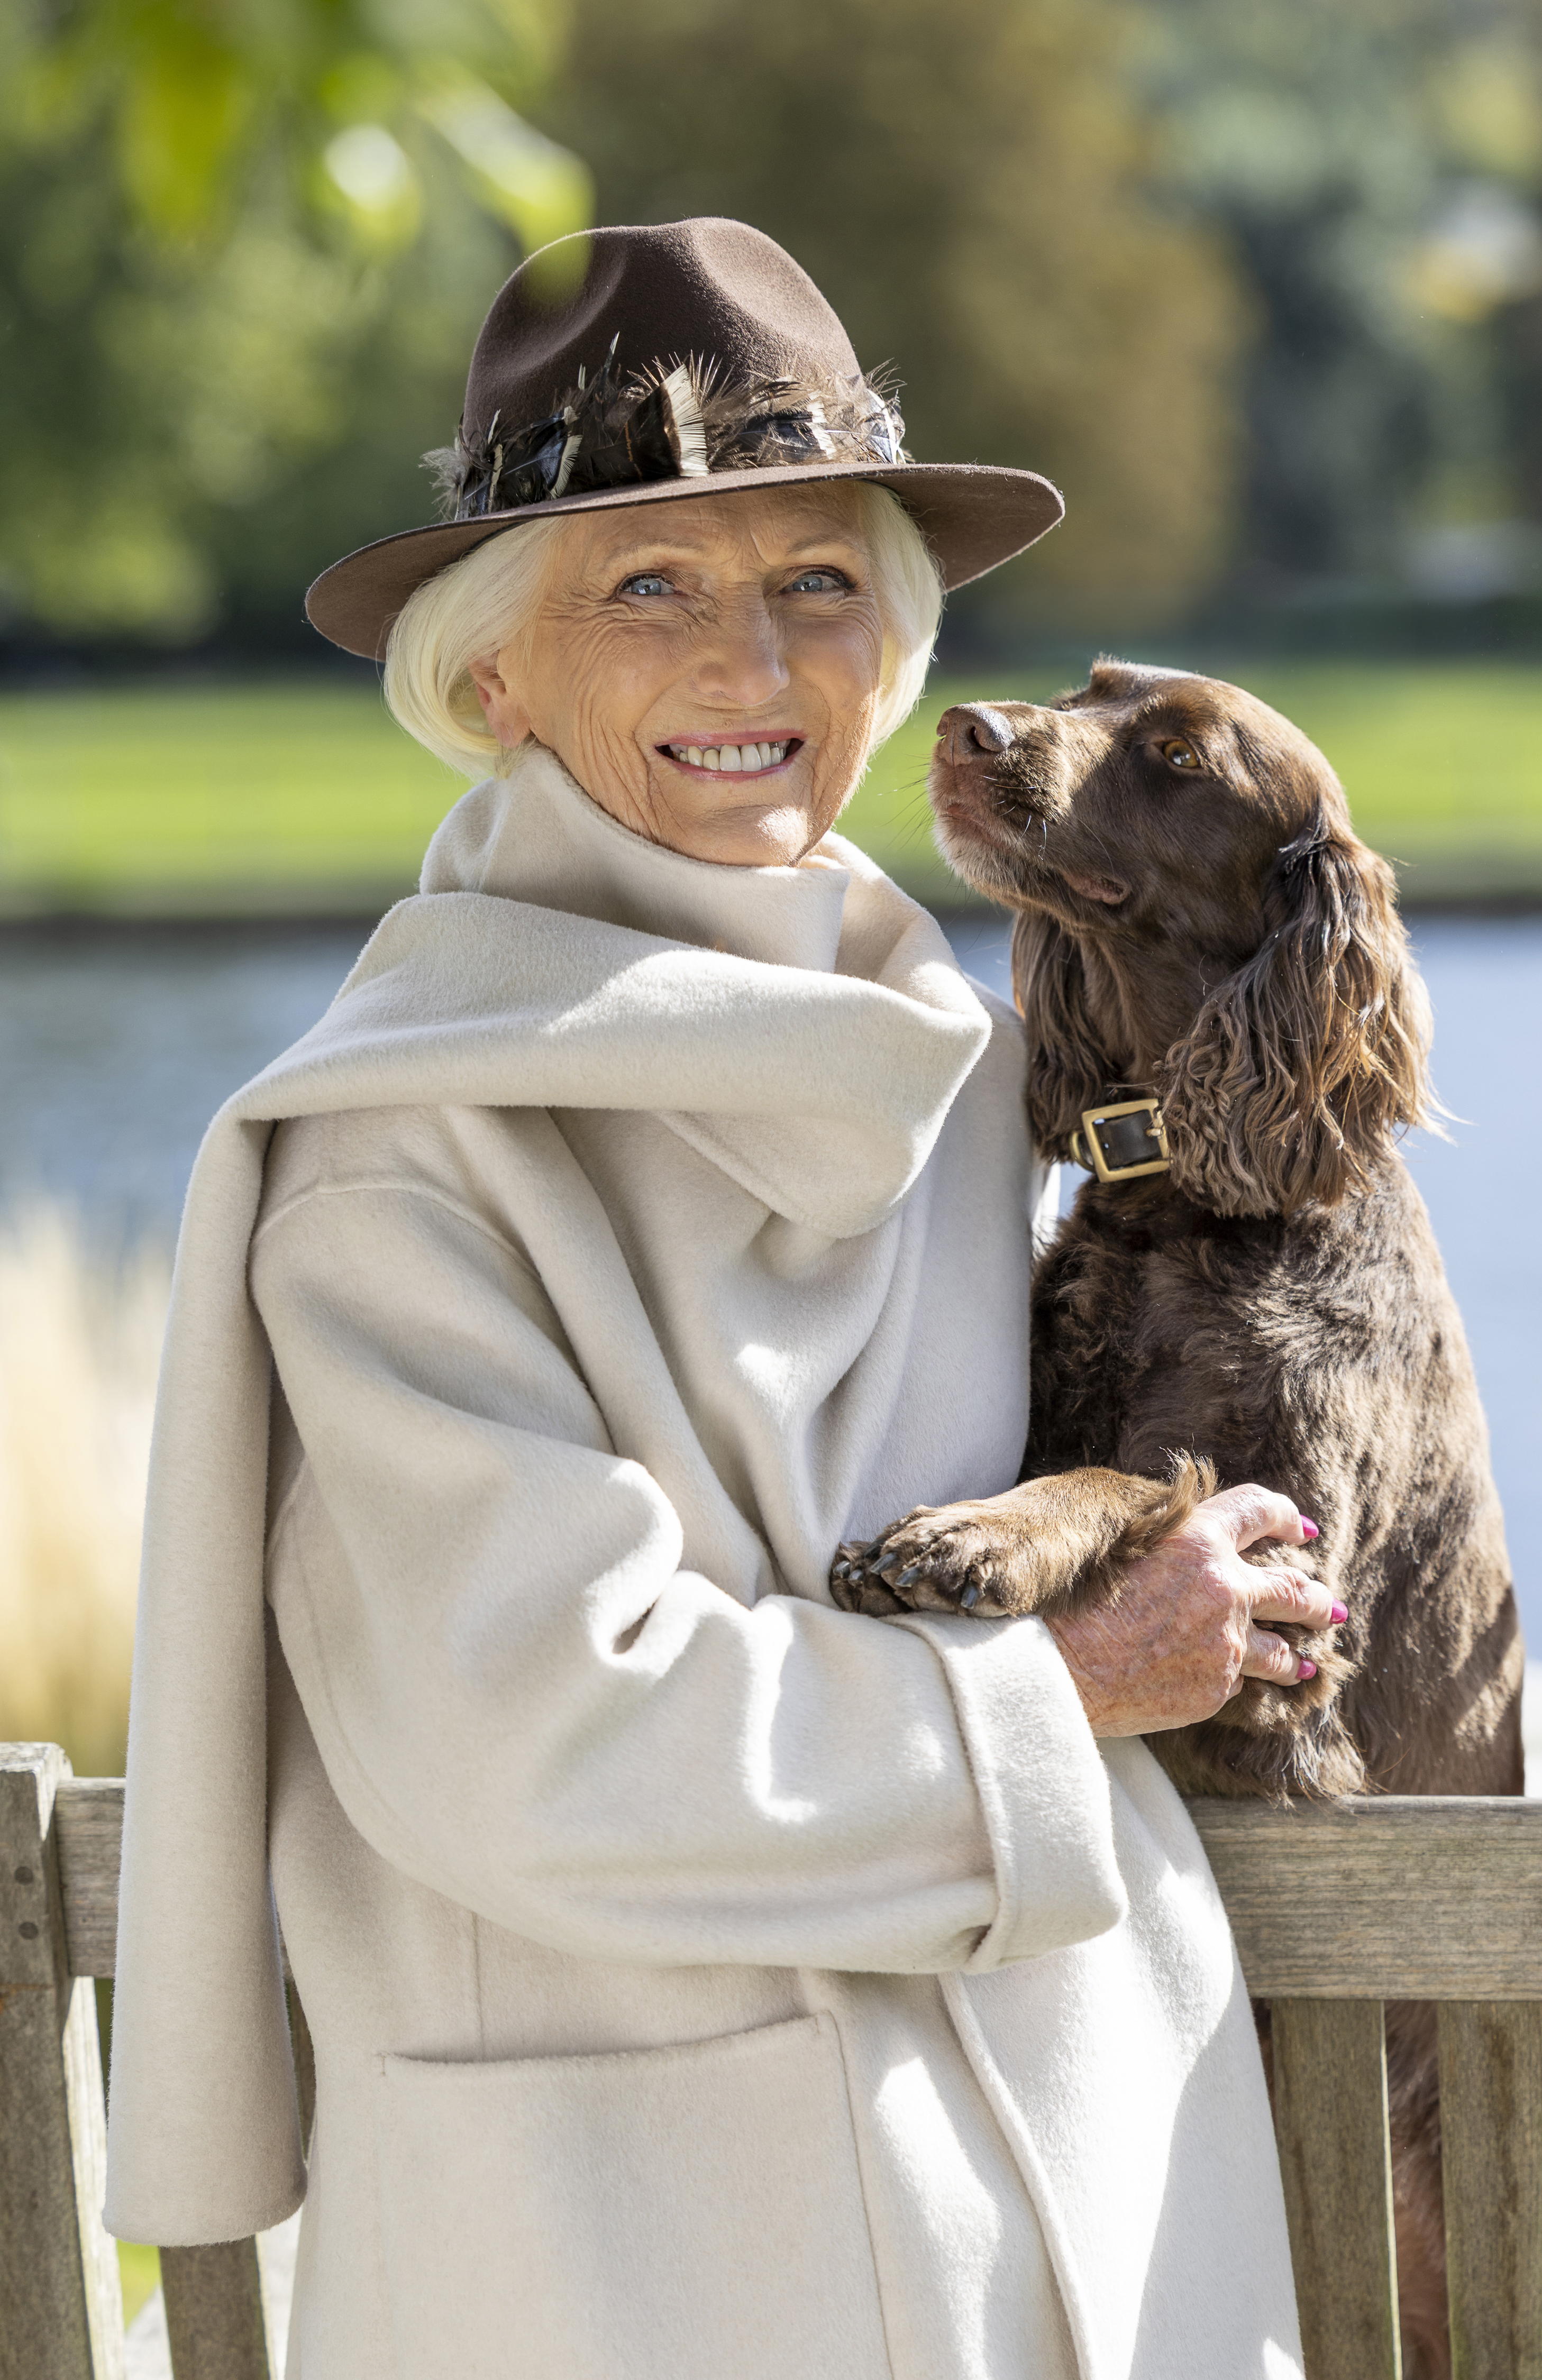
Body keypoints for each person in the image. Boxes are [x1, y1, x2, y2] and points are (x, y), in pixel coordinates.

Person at [106, 217, 1326, 2378]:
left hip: (1103, 2225)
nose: (749, 666)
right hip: (635, 2276)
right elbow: (542, 1740)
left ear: (898, 653)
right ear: (493, 678)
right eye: (648, 589)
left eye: (817, 587)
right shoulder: (401, 1158)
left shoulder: (975, 1065)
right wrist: (1074, 1692)